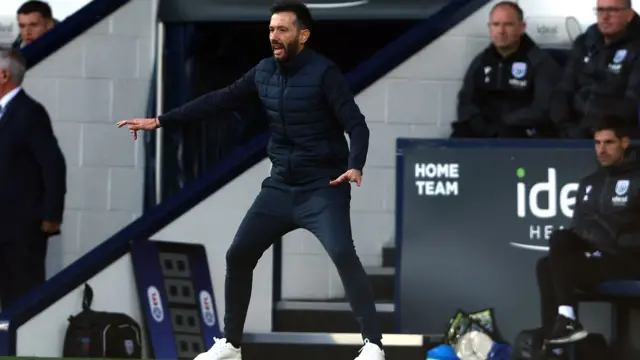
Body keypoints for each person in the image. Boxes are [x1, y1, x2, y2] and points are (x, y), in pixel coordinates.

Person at [117, 2, 385, 360]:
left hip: (324, 186)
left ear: (302, 36)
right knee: (239, 254)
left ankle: (373, 345)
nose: (274, 36)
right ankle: (231, 344)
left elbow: (357, 125)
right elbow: (219, 101)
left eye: (283, 30)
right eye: (271, 29)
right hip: (280, 187)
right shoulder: (263, 72)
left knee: (341, 252)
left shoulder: (324, 73)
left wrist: (356, 164)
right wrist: (160, 120)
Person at [535, 116, 640, 357]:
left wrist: (617, 241)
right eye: (597, 143)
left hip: (628, 259)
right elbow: (579, 228)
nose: (601, 150)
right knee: (553, 252)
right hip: (598, 258)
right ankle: (561, 333)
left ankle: (560, 336)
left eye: (609, 142)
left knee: (554, 264)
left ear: (624, 143)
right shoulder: (589, 183)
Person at [0, 48, 66, 309]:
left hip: (21, 227)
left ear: (4, 75)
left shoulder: (30, 112)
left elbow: (53, 164)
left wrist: (52, 215)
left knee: (21, 294)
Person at [451, 1, 560, 138]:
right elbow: (465, 101)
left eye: (508, 25)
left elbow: (543, 108)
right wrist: (478, 123)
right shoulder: (481, 61)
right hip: (484, 130)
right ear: (490, 27)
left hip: (521, 132)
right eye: (496, 24)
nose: (501, 31)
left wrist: (505, 122)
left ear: (522, 27)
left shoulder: (540, 62)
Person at [550, 0, 640, 139]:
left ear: (629, 15)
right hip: (572, 129)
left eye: (613, 10)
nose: (604, 17)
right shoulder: (585, 42)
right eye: (600, 10)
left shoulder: (636, 47)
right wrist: (564, 124)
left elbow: (631, 102)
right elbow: (563, 88)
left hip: (612, 133)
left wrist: (589, 128)